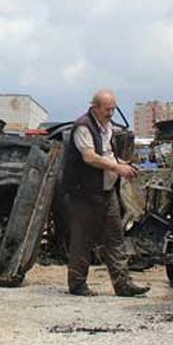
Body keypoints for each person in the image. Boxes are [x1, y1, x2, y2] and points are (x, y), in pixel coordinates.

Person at [62, 89, 150, 297]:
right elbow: (90, 157)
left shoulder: (107, 127)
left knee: (115, 237)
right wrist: (117, 168)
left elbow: (107, 155)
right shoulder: (83, 127)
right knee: (83, 239)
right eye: (107, 109)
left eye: (113, 109)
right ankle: (77, 284)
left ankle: (122, 284)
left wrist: (122, 164)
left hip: (106, 191)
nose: (110, 113)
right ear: (95, 107)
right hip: (84, 192)